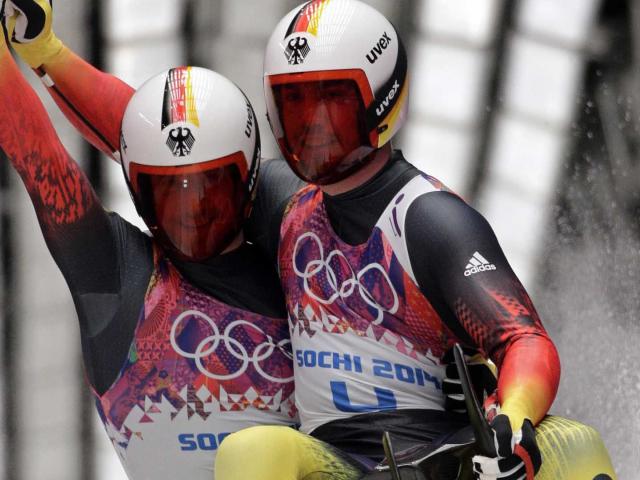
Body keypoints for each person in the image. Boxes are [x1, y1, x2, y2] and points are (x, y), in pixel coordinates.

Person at [214, 1, 618, 479]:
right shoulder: (282, 203)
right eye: (294, 104)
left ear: (381, 100)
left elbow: (524, 340)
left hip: (449, 460)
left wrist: (513, 420)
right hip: (337, 464)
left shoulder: (428, 218)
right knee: (253, 450)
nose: (311, 125)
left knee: (575, 442)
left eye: (331, 102)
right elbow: (172, 161)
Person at [0, 3, 296, 479]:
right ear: (139, 194)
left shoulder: (294, 248)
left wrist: (46, 53)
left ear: (248, 181)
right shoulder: (121, 276)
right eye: (169, 194)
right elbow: (40, 159)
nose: (192, 212)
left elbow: (152, 142)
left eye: (210, 188)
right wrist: (39, 53)